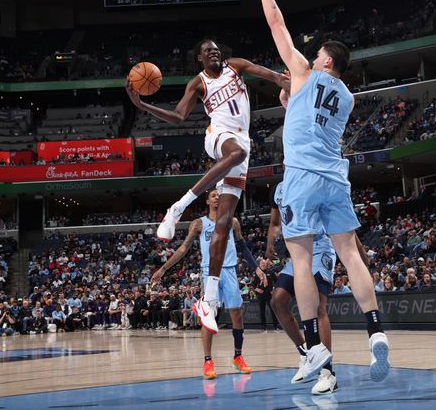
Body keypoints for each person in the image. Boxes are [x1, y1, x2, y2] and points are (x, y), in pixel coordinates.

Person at [257, 0, 389, 384]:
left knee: (300, 262)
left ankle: (313, 347)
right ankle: (376, 333)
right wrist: (292, 100)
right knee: (350, 254)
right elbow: (311, 116)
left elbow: (277, 23)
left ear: (326, 61)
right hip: (336, 177)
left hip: (301, 178)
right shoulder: (348, 98)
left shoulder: (303, 72)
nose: (310, 58)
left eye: (317, 56)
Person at [126, 39, 287, 334]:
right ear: (199, 58)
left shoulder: (235, 66)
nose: (214, 52)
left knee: (224, 224)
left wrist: (286, 80)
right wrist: (143, 105)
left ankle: (209, 300)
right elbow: (178, 116)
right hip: (218, 135)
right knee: (234, 153)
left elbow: (270, 74)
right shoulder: (198, 83)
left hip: (243, 141)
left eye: (216, 49)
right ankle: (178, 207)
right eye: (207, 51)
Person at [151, 188, 266, 379]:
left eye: (219, 196)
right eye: (213, 196)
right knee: (208, 316)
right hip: (208, 272)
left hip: (229, 270)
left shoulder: (232, 221)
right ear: (207, 201)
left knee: (237, 314)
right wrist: (163, 269)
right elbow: (183, 249)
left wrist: (256, 267)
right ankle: (208, 361)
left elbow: (243, 247)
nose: (217, 198)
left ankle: (238, 357)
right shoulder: (198, 224)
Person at [266, 181, 368, 395]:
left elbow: (341, 221)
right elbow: (275, 221)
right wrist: (270, 241)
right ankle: (306, 351)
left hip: (322, 247)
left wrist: (359, 253)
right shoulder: (278, 189)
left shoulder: (315, 179)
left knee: (318, 307)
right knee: (277, 300)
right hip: (299, 251)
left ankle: (328, 374)